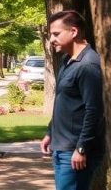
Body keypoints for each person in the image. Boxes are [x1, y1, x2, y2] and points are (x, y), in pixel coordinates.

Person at [40, 10, 105, 189]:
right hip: (61, 147)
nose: (51, 39)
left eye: (56, 34)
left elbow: (94, 111)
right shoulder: (68, 61)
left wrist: (82, 148)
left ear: (74, 32)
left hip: (75, 151)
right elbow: (65, 103)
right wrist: (50, 132)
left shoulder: (88, 65)